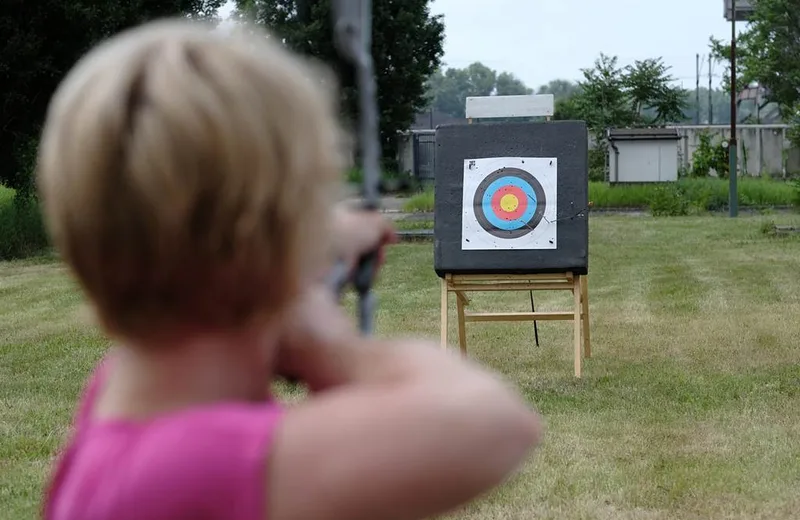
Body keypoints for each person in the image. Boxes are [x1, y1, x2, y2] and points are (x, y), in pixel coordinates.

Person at [38, 18, 543, 520]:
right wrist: (334, 348)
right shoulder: (199, 467)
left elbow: (207, 254)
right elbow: (495, 422)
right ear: (271, 242)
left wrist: (298, 244)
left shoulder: (125, 395)